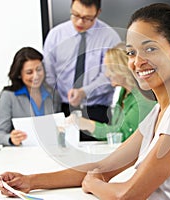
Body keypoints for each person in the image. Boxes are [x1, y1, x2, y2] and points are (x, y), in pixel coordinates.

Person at [0, 3, 170, 199]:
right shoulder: (160, 113)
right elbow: (104, 166)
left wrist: (93, 184)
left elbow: (129, 195)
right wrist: (29, 181)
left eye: (149, 49)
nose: (136, 61)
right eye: (131, 52)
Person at [43, 0, 121, 141]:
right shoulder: (56, 35)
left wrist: (84, 92)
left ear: (98, 13)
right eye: (75, 15)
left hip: (96, 110)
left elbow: (109, 76)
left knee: (98, 157)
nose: (79, 22)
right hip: (63, 108)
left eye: (87, 18)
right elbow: (48, 74)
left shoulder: (109, 37)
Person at [67, 43, 156, 141]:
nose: (107, 74)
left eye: (110, 69)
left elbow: (123, 135)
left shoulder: (144, 99)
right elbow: (115, 131)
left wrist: (88, 125)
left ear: (123, 69)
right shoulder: (123, 93)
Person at [0, 47, 61, 146]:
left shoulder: (53, 94)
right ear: (19, 74)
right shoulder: (9, 96)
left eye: (39, 70)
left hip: (51, 152)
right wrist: (11, 139)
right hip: (22, 154)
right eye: (29, 72)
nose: (36, 76)